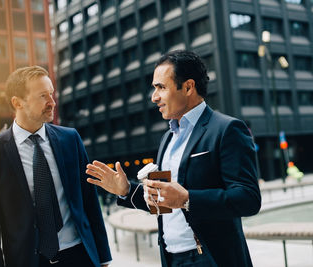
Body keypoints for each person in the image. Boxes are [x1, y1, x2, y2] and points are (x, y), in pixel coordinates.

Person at [87, 50, 261, 267]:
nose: (154, 97)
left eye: (161, 87)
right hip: (171, 258)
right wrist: (126, 190)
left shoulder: (227, 129)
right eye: (154, 88)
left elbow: (248, 199)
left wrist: (187, 199)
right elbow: (164, 203)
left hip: (212, 258)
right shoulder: (167, 138)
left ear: (188, 87)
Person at [0, 66, 111, 267]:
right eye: (43, 96)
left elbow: (89, 200)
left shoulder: (70, 139)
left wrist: (103, 257)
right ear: (17, 103)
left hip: (80, 256)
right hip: (28, 260)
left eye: (51, 94)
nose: (52, 102)